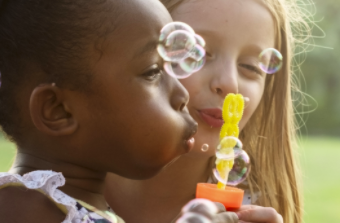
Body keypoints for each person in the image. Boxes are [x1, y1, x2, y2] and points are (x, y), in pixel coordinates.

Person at [0, 0, 208, 222]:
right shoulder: (21, 210)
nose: (182, 94)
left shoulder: (65, 207)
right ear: (59, 110)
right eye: (152, 72)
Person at [105, 0, 311, 222]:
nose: (230, 84)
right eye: (197, 54)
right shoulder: (67, 188)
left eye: (250, 66)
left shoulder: (253, 212)